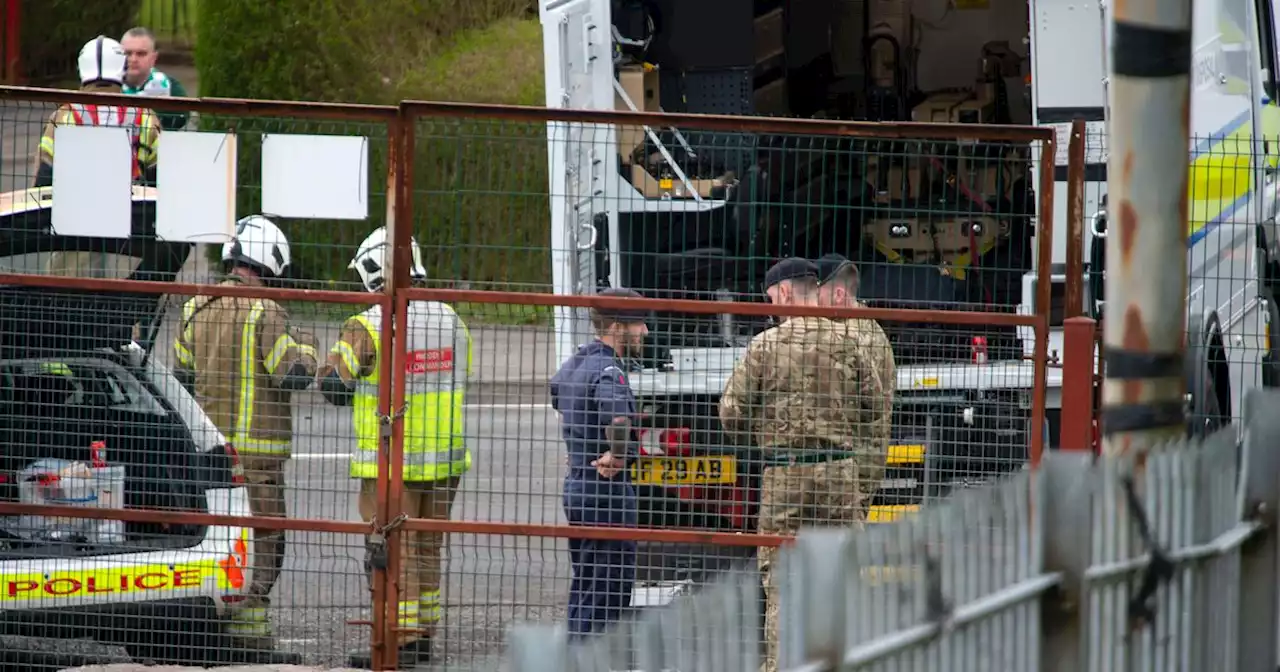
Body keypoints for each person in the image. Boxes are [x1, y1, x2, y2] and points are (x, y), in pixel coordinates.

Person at [718, 257, 887, 672]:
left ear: (788, 292)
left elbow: (731, 414)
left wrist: (764, 431)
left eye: (773, 298)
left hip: (786, 474)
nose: (772, 307)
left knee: (781, 581)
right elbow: (874, 406)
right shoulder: (848, 341)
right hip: (839, 475)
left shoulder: (765, 345)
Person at [317, 226, 473, 669]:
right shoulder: (452, 320)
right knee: (428, 547)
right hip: (445, 460)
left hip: (391, 460)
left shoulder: (369, 321)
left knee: (392, 549)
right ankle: (423, 634)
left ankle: (396, 641)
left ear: (371, 271)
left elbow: (333, 383)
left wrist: (322, 363)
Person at [171, 214, 318, 653]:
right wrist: (307, 343)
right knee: (263, 539)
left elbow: (180, 375)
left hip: (209, 453)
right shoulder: (265, 310)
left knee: (217, 537)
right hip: (257, 457)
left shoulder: (196, 305)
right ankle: (250, 636)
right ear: (270, 262)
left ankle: (212, 626)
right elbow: (292, 372)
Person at [550, 287, 648, 637]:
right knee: (608, 591)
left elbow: (559, 396)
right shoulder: (609, 369)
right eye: (639, 324)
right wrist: (618, 455)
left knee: (587, 584)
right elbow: (618, 418)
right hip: (604, 489)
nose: (645, 332)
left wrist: (579, 447)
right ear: (618, 326)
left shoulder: (575, 362)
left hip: (578, 484)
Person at [814, 253, 896, 502]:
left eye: (817, 293)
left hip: (852, 461)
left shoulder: (852, 335)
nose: (812, 301)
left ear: (838, 295)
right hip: (859, 457)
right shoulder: (866, 327)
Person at [35, 36, 161, 189]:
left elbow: (44, 175)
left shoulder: (64, 115)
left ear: (81, 68)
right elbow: (158, 177)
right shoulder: (145, 116)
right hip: (132, 207)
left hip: (74, 204)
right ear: (123, 68)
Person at [120, 26, 191, 130]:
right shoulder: (106, 86)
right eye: (127, 53)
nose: (133, 59)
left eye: (141, 54)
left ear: (154, 58)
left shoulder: (172, 89)